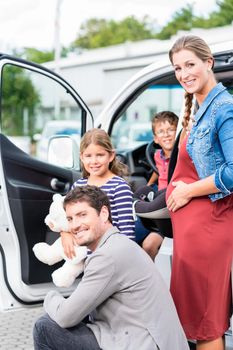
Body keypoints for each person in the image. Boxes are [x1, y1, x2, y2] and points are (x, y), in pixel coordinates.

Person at [33, 185, 189, 350]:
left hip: (146, 343)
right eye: (70, 219)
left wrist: (50, 296)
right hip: (143, 336)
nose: (75, 225)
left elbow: (65, 316)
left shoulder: (108, 255)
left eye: (82, 215)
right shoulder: (117, 244)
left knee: (44, 326)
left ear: (104, 213)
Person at [166, 35, 233, 350]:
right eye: (178, 68)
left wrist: (188, 191)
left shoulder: (224, 109)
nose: (183, 73)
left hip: (208, 231)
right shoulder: (198, 108)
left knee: (206, 325)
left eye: (190, 64)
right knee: (194, 323)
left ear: (209, 63)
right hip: (191, 235)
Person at [60, 128, 135, 259]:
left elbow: (127, 230)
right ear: (81, 157)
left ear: (111, 156)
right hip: (88, 258)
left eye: (100, 155)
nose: (94, 161)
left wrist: (125, 259)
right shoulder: (78, 186)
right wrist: (64, 233)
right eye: (88, 156)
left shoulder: (119, 187)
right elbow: (69, 219)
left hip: (112, 256)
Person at [135, 111, 178, 259]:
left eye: (171, 130)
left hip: (168, 207)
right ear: (156, 139)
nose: (166, 135)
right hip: (157, 203)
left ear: (179, 133)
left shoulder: (181, 155)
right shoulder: (157, 155)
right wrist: (149, 184)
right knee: (131, 235)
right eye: (161, 131)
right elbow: (159, 170)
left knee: (148, 245)